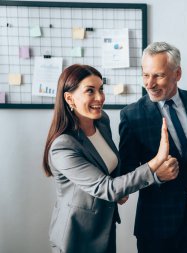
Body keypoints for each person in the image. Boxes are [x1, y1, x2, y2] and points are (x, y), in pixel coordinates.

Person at [42, 64, 178, 253]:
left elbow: (110, 164)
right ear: (69, 98)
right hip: (77, 236)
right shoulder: (63, 146)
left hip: (104, 227)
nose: (100, 97)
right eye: (90, 91)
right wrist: (156, 162)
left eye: (101, 89)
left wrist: (122, 186)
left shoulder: (101, 121)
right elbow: (106, 187)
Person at [119, 42, 187, 253]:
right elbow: (126, 172)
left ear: (177, 73)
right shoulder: (131, 115)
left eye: (158, 76)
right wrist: (155, 175)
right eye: (145, 75)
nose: (149, 84)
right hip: (155, 226)